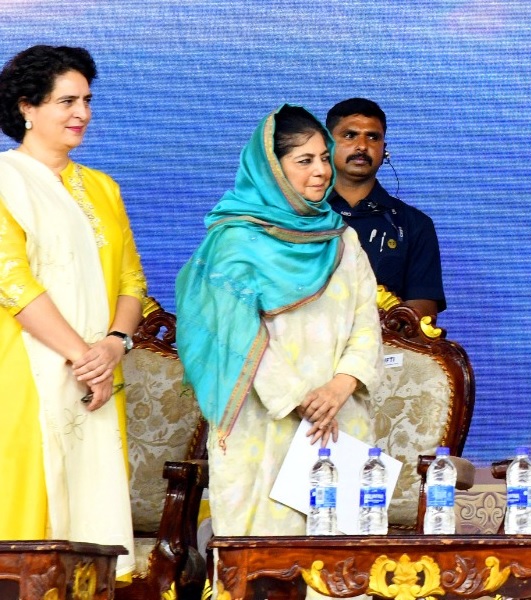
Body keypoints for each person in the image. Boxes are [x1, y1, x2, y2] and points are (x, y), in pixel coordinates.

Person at [176, 105, 382, 537]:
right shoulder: (234, 244)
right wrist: (301, 398)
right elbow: (231, 336)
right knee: (263, 560)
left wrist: (339, 387)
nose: (321, 171)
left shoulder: (343, 239)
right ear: (270, 168)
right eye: (304, 160)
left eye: (323, 157)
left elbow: (366, 324)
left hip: (339, 420)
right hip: (263, 424)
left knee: (341, 563)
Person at [0, 45, 143, 580]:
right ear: (27, 107)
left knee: (93, 521)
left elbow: (131, 281)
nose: (82, 112)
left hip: (98, 377)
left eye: (87, 100)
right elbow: (12, 283)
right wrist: (86, 357)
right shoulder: (5, 180)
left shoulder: (103, 188)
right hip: (24, 374)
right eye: (67, 101)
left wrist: (113, 346)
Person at [324, 98, 445, 321]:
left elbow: (423, 313)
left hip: (385, 341)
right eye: (350, 135)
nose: (362, 146)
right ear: (326, 145)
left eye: (373, 137)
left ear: (384, 150)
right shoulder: (297, 216)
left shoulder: (415, 224)